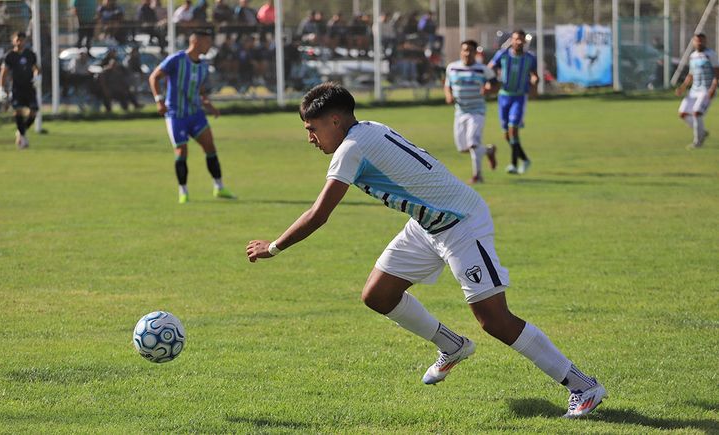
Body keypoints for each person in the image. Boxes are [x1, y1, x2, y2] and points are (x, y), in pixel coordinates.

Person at [246, 82, 606, 419]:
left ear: (335, 120)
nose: (310, 137)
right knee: (378, 294)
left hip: (461, 223)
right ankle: (453, 346)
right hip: (427, 224)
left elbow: (318, 214)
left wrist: (274, 247)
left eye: (312, 128)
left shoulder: (351, 149)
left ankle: (583, 386)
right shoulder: (367, 128)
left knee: (494, 319)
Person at [149, 29, 237, 203]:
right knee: (182, 151)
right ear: (196, 41)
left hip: (195, 114)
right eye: (207, 42)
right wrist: (159, 100)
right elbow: (154, 77)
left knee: (210, 147)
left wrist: (208, 104)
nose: (209, 45)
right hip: (176, 115)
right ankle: (183, 191)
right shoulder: (176, 60)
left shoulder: (203, 65)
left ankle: (219, 187)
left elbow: (199, 89)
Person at [445, 40, 498, 184]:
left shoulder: (483, 69)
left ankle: (477, 176)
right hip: (460, 112)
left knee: (473, 143)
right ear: (461, 51)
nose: (467, 53)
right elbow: (447, 85)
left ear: (475, 53)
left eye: (470, 50)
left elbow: (496, 86)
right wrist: (449, 96)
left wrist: (488, 90)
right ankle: (488, 151)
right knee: (462, 148)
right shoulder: (452, 68)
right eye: (464, 50)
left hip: (477, 112)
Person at [488, 29, 539, 175]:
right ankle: (525, 159)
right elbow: (490, 68)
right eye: (516, 39)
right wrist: (490, 81)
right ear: (511, 40)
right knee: (507, 135)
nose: (518, 42)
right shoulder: (502, 55)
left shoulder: (530, 58)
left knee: (513, 130)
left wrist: (535, 80)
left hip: (519, 97)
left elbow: (534, 74)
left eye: (521, 39)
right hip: (503, 96)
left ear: (524, 41)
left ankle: (513, 164)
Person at [676, 33, 719, 149]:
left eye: (702, 41)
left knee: (696, 113)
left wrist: (713, 88)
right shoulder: (693, 56)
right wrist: (683, 87)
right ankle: (703, 132)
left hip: (706, 90)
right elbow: (691, 74)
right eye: (697, 41)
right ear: (693, 42)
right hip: (694, 90)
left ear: (705, 41)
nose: (699, 43)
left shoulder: (711, 55)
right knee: (683, 114)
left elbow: (717, 73)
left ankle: (698, 142)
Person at [0, 31, 40, 149]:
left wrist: (37, 77)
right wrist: (0, 88)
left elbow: (36, 68)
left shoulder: (30, 54)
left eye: (22, 40)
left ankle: (21, 132)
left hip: (29, 88)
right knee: (18, 111)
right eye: (18, 39)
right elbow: (4, 73)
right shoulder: (10, 56)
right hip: (16, 88)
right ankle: (23, 139)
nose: (20, 42)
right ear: (13, 41)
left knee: (33, 112)